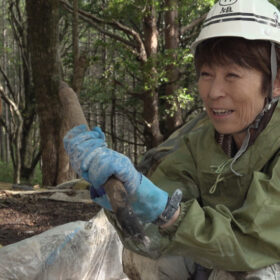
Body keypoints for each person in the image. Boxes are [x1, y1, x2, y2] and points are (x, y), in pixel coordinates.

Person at [63, 0, 280, 279]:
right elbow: (152, 233)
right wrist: (120, 193)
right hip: (225, 259)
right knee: (157, 258)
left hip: (261, 257)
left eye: (232, 76)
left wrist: (168, 212)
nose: (214, 92)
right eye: (206, 74)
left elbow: (251, 242)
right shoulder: (200, 141)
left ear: (275, 82)